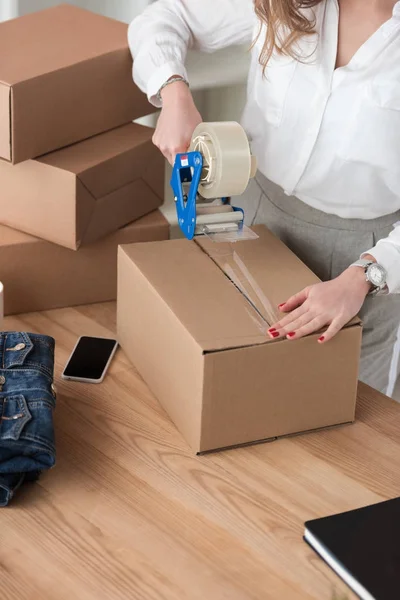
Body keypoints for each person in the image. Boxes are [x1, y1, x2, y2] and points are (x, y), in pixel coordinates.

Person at [128, 0, 400, 395]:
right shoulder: (283, 3)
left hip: (367, 259)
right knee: (238, 385)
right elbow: (163, 18)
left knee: (349, 410)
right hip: (257, 220)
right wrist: (174, 95)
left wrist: (365, 278)